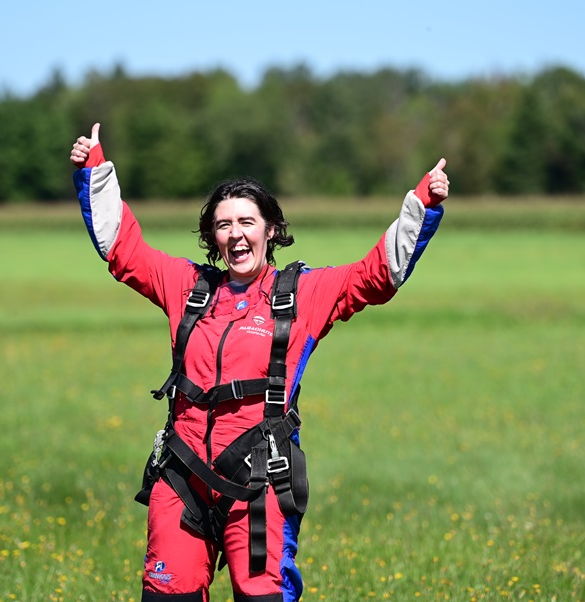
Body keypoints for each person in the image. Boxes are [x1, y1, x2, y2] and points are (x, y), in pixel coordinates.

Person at [70, 123, 449, 602]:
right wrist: (95, 169)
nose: (236, 235)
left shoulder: (304, 294)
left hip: (258, 485)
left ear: (271, 229)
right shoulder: (188, 287)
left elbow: (377, 275)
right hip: (180, 478)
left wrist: (423, 203)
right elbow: (123, 249)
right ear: (212, 235)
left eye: (247, 222)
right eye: (224, 225)